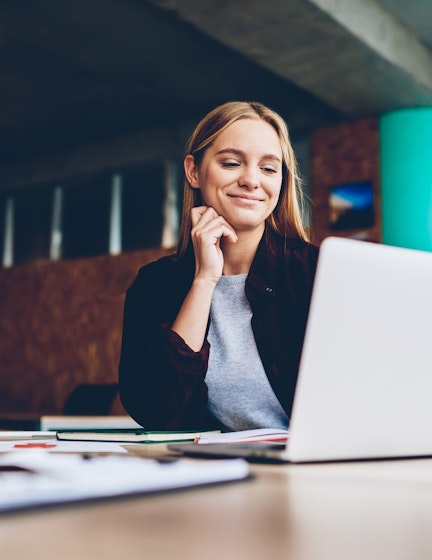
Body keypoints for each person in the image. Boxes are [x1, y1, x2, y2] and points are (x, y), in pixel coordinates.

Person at [119, 101, 319, 431]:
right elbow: (157, 409)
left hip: (316, 470)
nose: (252, 180)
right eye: (231, 163)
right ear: (194, 171)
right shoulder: (156, 283)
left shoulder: (314, 272)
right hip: (215, 471)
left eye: (269, 169)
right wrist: (204, 279)